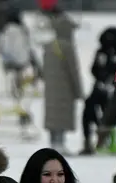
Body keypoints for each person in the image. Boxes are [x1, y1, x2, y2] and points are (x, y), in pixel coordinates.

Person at [38, 0, 83, 154]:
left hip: (51, 90)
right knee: (61, 117)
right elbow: (73, 70)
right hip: (65, 89)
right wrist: (79, 91)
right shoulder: (67, 47)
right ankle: (60, 144)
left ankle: (52, 142)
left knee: (52, 116)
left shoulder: (49, 46)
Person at [80, 26, 116, 155]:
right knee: (88, 110)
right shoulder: (100, 52)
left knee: (110, 112)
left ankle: (108, 140)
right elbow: (93, 69)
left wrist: (114, 80)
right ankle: (88, 140)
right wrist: (100, 78)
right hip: (98, 88)